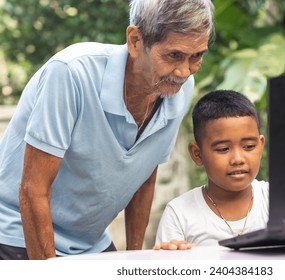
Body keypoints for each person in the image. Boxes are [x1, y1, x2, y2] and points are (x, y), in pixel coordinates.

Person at [0, 0, 214, 260]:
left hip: (89, 243)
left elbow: (145, 177)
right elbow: (33, 188)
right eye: (173, 55)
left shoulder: (180, 87)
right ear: (135, 40)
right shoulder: (71, 73)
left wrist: (133, 261)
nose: (184, 71)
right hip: (14, 234)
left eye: (197, 56)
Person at [153, 90, 269, 250]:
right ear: (197, 154)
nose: (238, 159)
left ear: (260, 146)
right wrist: (172, 256)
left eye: (249, 147)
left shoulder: (277, 200)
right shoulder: (179, 213)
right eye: (223, 149)